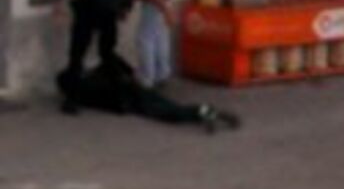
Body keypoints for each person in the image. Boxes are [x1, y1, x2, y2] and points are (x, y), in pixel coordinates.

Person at [56, 54, 240, 134]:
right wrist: (131, 73)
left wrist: (68, 100)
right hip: (134, 89)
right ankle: (206, 112)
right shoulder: (95, 74)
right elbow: (111, 59)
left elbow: (69, 107)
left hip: (130, 101)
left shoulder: (78, 92)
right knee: (171, 107)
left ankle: (205, 111)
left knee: (169, 113)